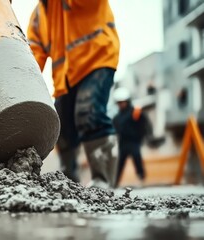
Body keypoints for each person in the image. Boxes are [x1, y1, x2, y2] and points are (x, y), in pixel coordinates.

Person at [27, 0, 120, 188]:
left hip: (97, 59)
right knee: (60, 126)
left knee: (89, 113)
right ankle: (69, 180)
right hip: (66, 76)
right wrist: (26, 85)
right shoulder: (39, 15)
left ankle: (103, 180)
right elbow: (33, 52)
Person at [112, 87, 151, 187]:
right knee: (119, 164)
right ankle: (114, 183)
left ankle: (141, 179)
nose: (121, 104)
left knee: (137, 158)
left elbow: (145, 125)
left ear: (127, 101)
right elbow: (114, 130)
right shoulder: (117, 117)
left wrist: (146, 137)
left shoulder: (136, 112)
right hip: (123, 143)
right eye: (119, 102)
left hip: (134, 142)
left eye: (123, 102)